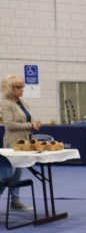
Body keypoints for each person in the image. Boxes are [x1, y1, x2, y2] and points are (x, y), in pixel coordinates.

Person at [0, 74, 40, 210]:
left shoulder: (22, 102)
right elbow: (9, 125)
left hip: (24, 143)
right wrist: (30, 125)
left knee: (17, 174)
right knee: (5, 176)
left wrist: (34, 123)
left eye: (22, 86)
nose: (22, 89)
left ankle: (15, 201)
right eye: (18, 87)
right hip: (12, 143)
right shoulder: (6, 103)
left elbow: (27, 119)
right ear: (10, 89)